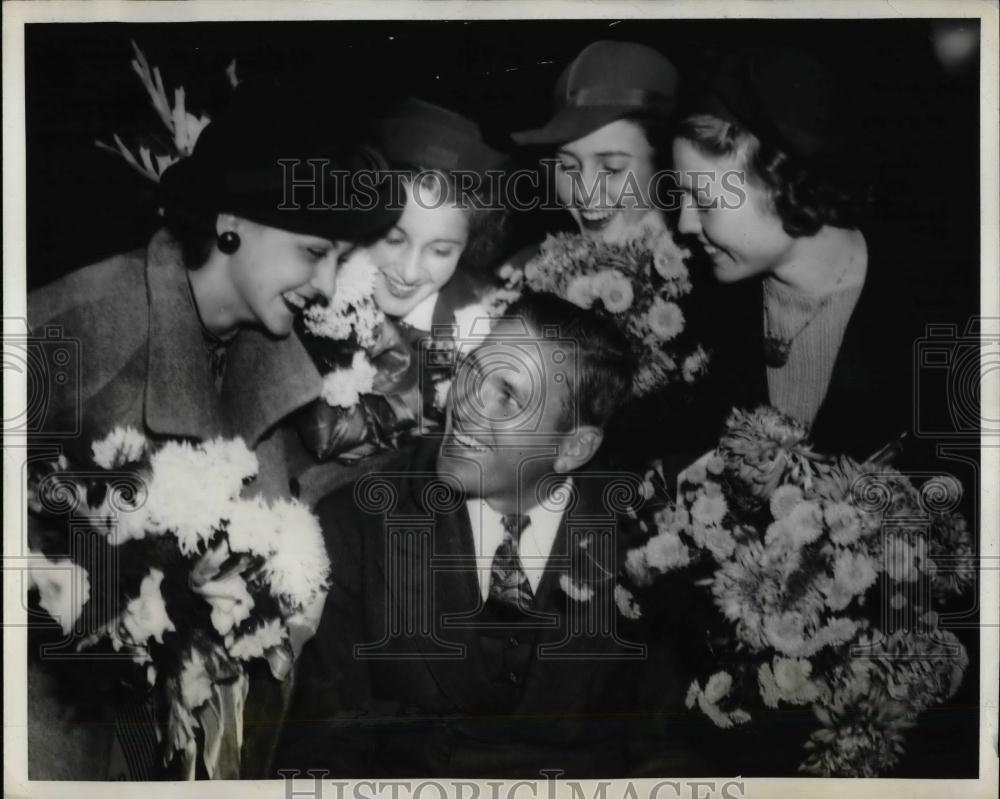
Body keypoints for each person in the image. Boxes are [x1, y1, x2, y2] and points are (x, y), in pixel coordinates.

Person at [25, 84, 400, 780]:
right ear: (231, 223)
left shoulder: (270, 353)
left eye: (338, 260)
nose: (325, 283)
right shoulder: (89, 321)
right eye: (313, 250)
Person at [273, 292, 703, 778]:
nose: (465, 405)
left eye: (509, 396)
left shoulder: (645, 542)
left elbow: (665, 752)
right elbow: (326, 753)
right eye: (472, 373)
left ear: (573, 447)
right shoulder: (359, 523)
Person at [671, 48, 911, 461]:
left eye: (703, 202)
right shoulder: (699, 308)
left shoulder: (930, 308)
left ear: (784, 182)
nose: (684, 225)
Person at [512, 40, 681, 249]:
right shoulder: (532, 270)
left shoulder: (710, 272)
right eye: (568, 167)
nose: (584, 193)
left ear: (667, 168)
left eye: (612, 169)